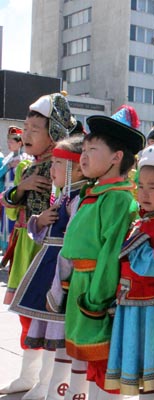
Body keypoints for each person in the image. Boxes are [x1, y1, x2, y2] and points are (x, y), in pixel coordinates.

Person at [60, 106, 145, 399]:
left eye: (93, 149)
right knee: (93, 369)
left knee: (105, 368)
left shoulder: (118, 199)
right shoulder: (95, 194)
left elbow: (110, 254)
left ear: (116, 157)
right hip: (81, 285)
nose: (83, 156)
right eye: (83, 149)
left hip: (96, 291)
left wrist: (95, 301)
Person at [0, 92, 76, 396]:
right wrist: (22, 188)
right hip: (25, 247)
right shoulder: (24, 168)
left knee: (44, 316)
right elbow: (8, 206)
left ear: (54, 133)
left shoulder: (66, 168)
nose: (27, 134)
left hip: (49, 250)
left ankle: (47, 380)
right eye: (26, 128)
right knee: (25, 314)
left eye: (35, 129)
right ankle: (28, 375)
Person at [105, 135, 154, 399]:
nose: (143, 193)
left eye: (153, 187)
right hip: (131, 306)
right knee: (143, 376)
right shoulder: (142, 220)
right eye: (140, 186)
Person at [9, 135, 86, 400]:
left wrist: (62, 284)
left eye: (57, 164)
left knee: (57, 332)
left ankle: (52, 386)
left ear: (75, 168)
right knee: (42, 328)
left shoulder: (78, 200)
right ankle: (39, 382)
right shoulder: (63, 197)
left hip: (61, 274)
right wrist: (39, 221)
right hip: (49, 267)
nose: (51, 170)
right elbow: (43, 233)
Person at [0, 126, 27, 253]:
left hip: (17, 195)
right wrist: (9, 166)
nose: (9, 145)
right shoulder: (7, 159)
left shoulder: (26, 159)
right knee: (4, 224)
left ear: (19, 143)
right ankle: (5, 250)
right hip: (5, 194)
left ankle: (13, 250)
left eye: (11, 142)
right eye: (8, 142)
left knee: (13, 223)